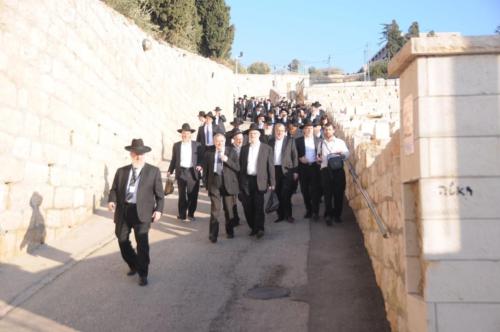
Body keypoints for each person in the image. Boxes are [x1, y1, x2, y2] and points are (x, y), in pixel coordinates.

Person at [108, 139, 164, 286]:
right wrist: (111, 200)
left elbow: (160, 195)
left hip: (143, 212)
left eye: (141, 154)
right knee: (121, 239)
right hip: (124, 210)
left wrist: (158, 210)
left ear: (144, 154)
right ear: (131, 154)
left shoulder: (153, 171)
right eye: (135, 153)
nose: (138, 156)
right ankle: (134, 263)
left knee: (142, 243)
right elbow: (113, 189)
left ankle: (143, 273)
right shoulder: (122, 171)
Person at [239, 123, 275, 238]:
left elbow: (270, 166)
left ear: (259, 135)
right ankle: (253, 227)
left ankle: (260, 228)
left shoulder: (267, 148)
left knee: (259, 205)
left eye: (254, 133)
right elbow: (241, 166)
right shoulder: (244, 149)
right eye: (250, 134)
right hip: (246, 181)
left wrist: (272, 182)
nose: (252, 135)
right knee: (247, 206)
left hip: (260, 181)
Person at [203, 132, 240, 243]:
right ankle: (213, 235)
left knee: (229, 210)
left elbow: (238, 168)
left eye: (221, 141)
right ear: (214, 142)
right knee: (215, 210)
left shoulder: (231, 151)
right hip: (214, 184)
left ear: (225, 142)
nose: (219, 143)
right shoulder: (209, 153)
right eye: (217, 141)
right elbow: (206, 171)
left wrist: (227, 160)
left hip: (228, 185)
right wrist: (206, 185)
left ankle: (229, 231)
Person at [168, 123, 203, 222]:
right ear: (181, 134)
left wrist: (200, 165)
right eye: (183, 133)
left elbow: (201, 158)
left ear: (190, 134)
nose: (185, 135)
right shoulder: (176, 145)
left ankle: (191, 214)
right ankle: (182, 214)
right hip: (181, 172)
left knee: (192, 194)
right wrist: (170, 170)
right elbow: (174, 159)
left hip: (193, 172)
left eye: (187, 133)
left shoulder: (197, 145)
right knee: (182, 195)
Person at [318, 122, 350, 225]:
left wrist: (342, 154)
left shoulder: (340, 142)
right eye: (326, 130)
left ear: (334, 130)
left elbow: (347, 153)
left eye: (329, 129)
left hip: (338, 170)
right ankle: (329, 215)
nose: (327, 131)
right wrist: (318, 159)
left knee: (338, 193)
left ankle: (337, 215)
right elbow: (318, 157)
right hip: (325, 170)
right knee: (327, 194)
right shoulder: (321, 143)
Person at [268, 123, 298, 223]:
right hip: (275, 170)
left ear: (284, 131)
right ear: (274, 131)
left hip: (287, 170)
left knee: (286, 193)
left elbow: (294, 156)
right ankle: (280, 215)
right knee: (278, 193)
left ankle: (288, 215)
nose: (279, 132)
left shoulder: (290, 140)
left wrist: (295, 171)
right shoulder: (270, 141)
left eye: (281, 130)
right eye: (277, 130)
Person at [295, 119, 321, 220]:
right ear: (303, 130)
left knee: (315, 191)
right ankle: (308, 210)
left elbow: (322, 153)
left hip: (315, 167)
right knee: (304, 190)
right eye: (307, 128)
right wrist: (299, 158)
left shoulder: (318, 141)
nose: (309, 130)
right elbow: (293, 154)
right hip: (303, 168)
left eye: (310, 128)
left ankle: (315, 212)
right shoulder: (298, 141)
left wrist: (319, 158)